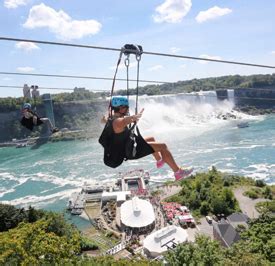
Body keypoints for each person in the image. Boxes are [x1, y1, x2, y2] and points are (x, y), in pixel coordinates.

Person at [100, 96, 193, 181]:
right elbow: (124, 121)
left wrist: (131, 118)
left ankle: (160, 161)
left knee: (151, 139)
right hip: (130, 151)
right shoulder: (118, 122)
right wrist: (133, 117)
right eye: (126, 107)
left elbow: (106, 120)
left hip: (125, 146)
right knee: (163, 146)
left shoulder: (111, 119)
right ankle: (178, 172)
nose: (127, 109)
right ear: (120, 108)